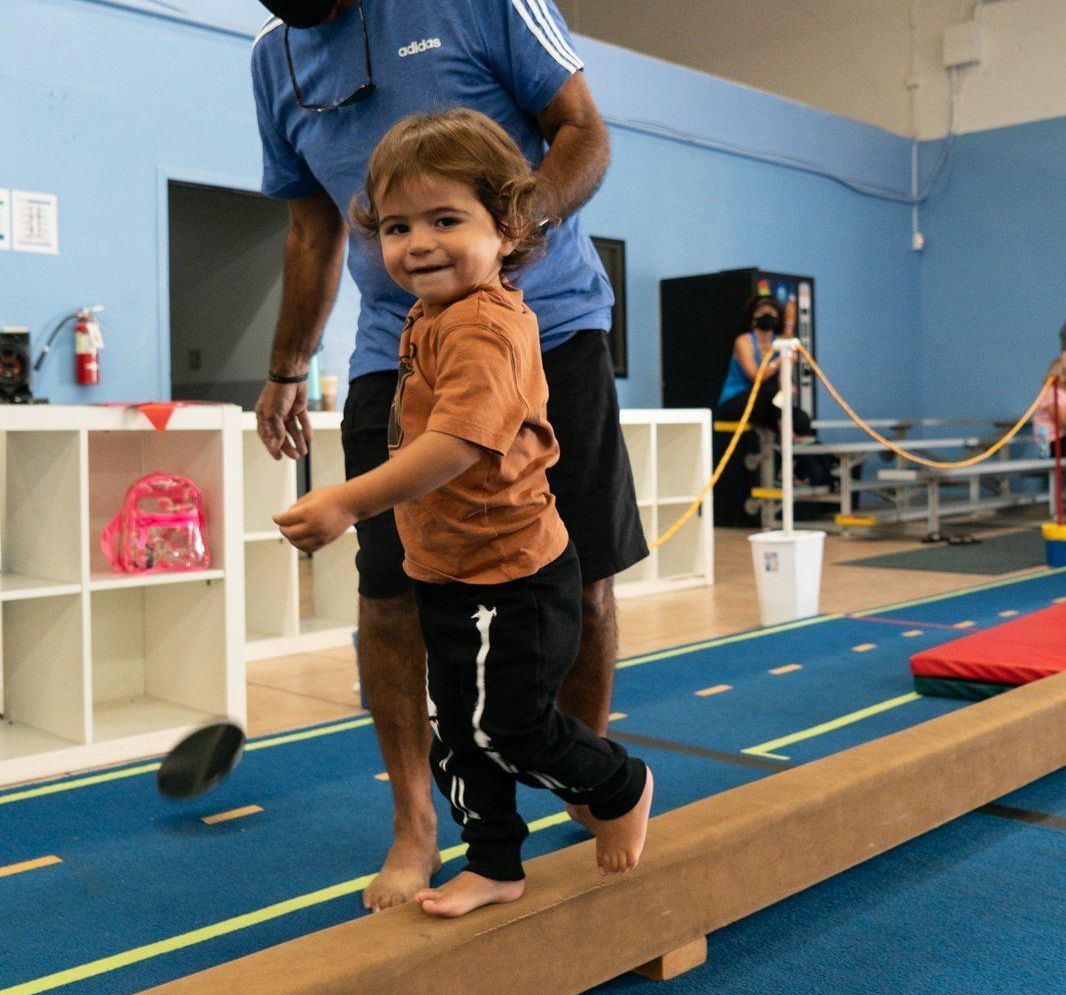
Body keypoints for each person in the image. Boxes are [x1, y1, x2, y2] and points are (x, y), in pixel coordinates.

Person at [250, 1, 648, 911]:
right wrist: (284, 368)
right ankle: (425, 824)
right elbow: (312, 225)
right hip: (397, 341)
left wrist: (502, 244)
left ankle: (585, 783)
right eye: (399, 229)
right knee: (398, 597)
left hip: (549, 326)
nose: (416, 240)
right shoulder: (276, 60)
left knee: (575, 581)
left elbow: (581, 129)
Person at [716, 296, 828, 485]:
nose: (767, 317)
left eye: (772, 314)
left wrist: (788, 373)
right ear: (753, 318)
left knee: (801, 418)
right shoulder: (744, 341)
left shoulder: (780, 342)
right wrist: (779, 361)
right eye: (762, 314)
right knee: (773, 395)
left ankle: (798, 469)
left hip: (769, 404)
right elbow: (754, 375)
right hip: (736, 402)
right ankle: (788, 440)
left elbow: (784, 383)